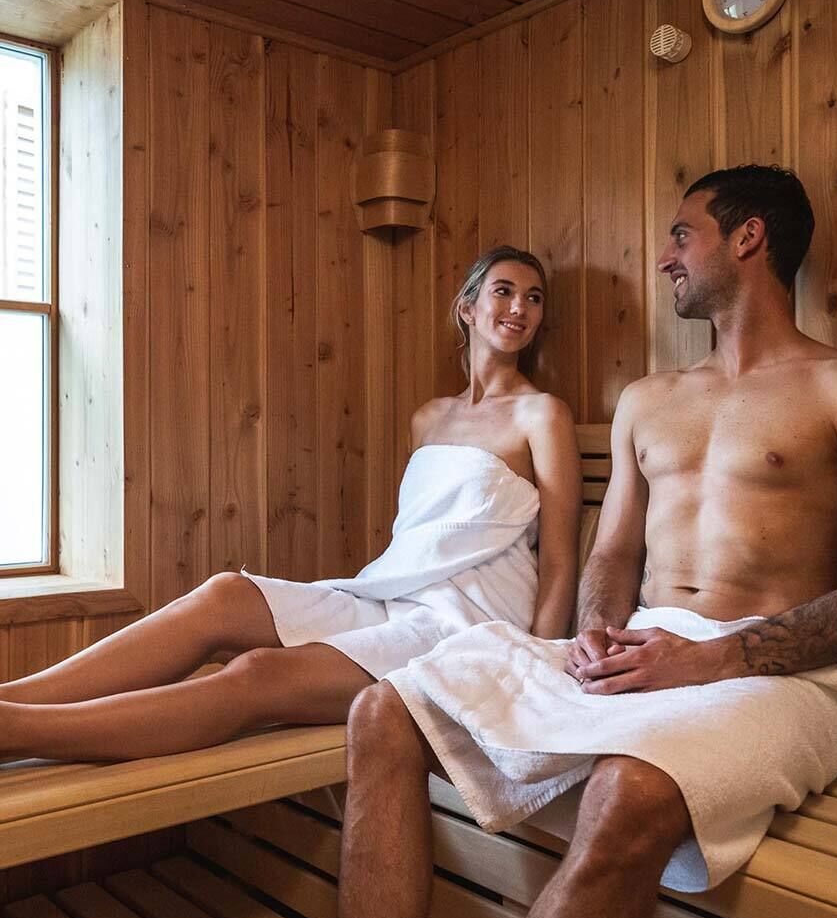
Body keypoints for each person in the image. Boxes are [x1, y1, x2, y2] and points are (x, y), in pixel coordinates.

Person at [337, 165, 837, 918]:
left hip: (776, 671)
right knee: (382, 711)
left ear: (748, 237)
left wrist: (709, 657)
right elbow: (612, 553)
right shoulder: (649, 400)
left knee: (627, 790)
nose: (663, 257)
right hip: (640, 649)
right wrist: (592, 635)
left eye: (682, 235)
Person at [0, 246, 580, 762]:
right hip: (392, 595)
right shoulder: (429, 418)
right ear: (468, 307)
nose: (520, 308)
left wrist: (535, 664)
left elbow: (557, 560)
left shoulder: (541, 415)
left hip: (468, 627)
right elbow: (421, 540)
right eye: (504, 291)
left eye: (534, 299)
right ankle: (9, 701)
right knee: (227, 594)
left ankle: (16, 731)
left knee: (256, 672)